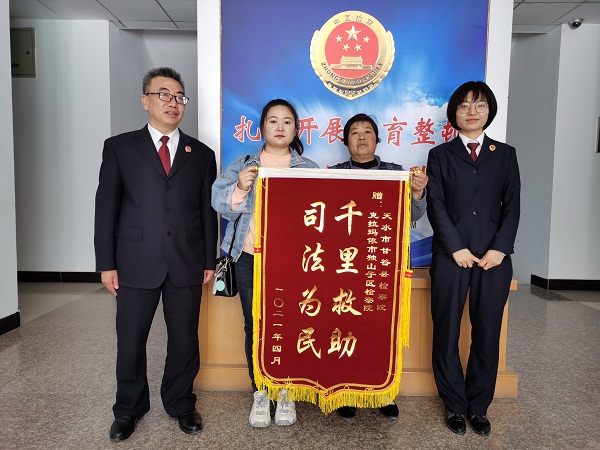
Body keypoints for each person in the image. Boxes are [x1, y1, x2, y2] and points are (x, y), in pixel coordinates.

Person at [94, 67, 217, 441]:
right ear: (145, 101)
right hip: (134, 261)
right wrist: (106, 263)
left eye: (179, 96)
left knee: (184, 339)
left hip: (186, 260)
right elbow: (106, 207)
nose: (173, 102)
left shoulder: (201, 154)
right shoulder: (119, 147)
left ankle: (181, 402)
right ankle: (128, 409)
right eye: (164, 94)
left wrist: (208, 260)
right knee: (130, 339)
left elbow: (207, 211)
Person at [211, 99, 319, 428]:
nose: (280, 127)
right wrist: (240, 187)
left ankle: (285, 391)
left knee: (291, 324)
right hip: (250, 257)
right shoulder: (244, 164)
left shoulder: (309, 168)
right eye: (273, 121)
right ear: (262, 128)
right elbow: (219, 203)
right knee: (254, 324)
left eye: (287, 121)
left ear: (296, 129)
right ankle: (260, 391)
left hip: (295, 262)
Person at [426, 81, 520, 436]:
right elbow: (435, 204)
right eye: (464, 105)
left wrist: (500, 248)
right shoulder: (440, 155)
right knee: (446, 331)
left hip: (494, 259)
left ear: (489, 111)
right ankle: (454, 404)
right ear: (454, 112)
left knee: (487, 332)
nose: (472, 111)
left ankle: (478, 407)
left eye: (479, 105)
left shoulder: (505, 154)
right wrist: (456, 248)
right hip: (451, 256)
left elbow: (513, 205)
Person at [329, 113, 428, 420]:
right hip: (345, 265)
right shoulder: (333, 174)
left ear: (377, 139)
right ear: (345, 141)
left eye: (367, 131)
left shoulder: (395, 173)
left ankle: (384, 393)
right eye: (354, 132)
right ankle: (346, 391)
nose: (361, 137)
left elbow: (414, 215)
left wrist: (417, 192)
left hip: (384, 264)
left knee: (382, 330)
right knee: (345, 327)